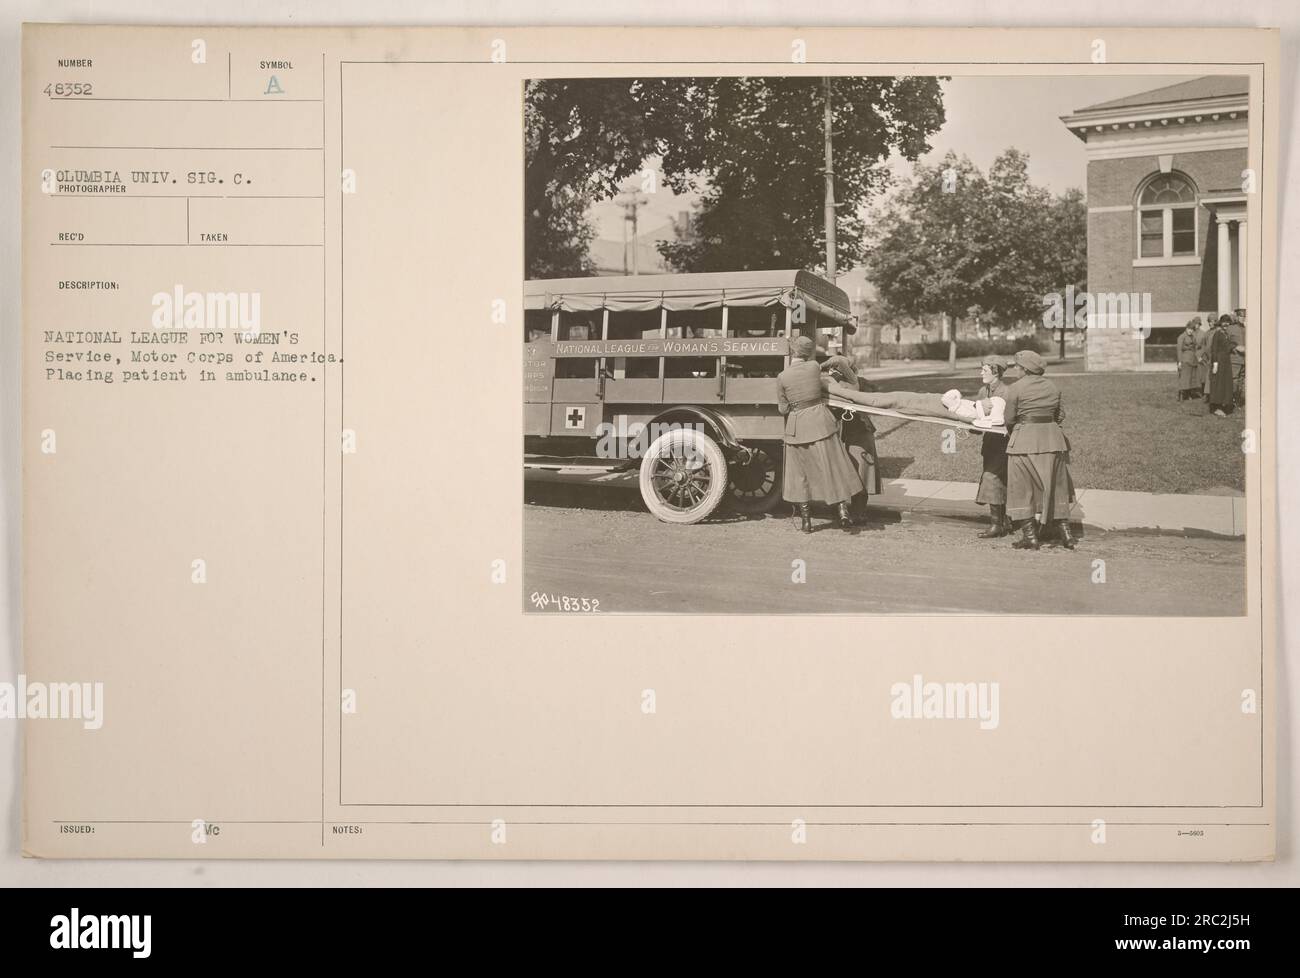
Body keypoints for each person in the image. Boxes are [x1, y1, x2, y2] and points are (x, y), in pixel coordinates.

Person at [777, 336, 863, 532]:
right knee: (834, 468)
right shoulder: (815, 367)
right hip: (821, 424)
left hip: (797, 428)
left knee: (799, 475)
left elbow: (782, 409)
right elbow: (829, 364)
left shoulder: (782, 376)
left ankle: (806, 522)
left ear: (792, 352)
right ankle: (843, 514)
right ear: (807, 353)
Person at [1003, 350, 1075, 551]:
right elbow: (1059, 415)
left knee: (1022, 488)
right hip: (1054, 440)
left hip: (1025, 442)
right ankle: (1067, 536)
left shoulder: (1015, 388)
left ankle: (1030, 537)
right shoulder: (1052, 386)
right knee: (1057, 488)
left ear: (1024, 369)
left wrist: (1017, 429)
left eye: (1017, 367)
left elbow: (1008, 419)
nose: (1015, 370)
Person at [819, 348, 882, 522]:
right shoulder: (835, 384)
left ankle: (859, 512)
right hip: (844, 433)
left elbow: (839, 361)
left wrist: (820, 365)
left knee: (861, 472)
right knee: (845, 472)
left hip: (858, 431)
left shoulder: (854, 382)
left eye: (837, 371)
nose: (834, 373)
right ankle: (845, 511)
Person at [974, 355, 1013, 538]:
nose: (981, 372)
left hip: (1005, 445)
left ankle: (997, 525)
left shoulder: (1007, 392)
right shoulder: (983, 391)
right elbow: (977, 421)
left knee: (992, 479)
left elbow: (1009, 421)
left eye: (985, 370)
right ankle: (1004, 521)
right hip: (989, 445)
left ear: (995, 372)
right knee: (999, 481)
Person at [1206, 314, 1235, 416]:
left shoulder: (1227, 334)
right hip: (1219, 361)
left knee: (1225, 383)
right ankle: (1216, 407)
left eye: (1228, 322)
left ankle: (1224, 405)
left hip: (1226, 362)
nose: (1226, 324)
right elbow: (1214, 349)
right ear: (1220, 323)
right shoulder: (1217, 334)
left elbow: (1228, 345)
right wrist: (1215, 363)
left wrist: (1233, 346)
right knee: (1218, 384)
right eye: (1224, 322)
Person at [1175, 319, 1200, 401]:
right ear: (1186, 328)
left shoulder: (1193, 337)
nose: (1190, 331)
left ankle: (1188, 395)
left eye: (1192, 329)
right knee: (1184, 378)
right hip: (1185, 360)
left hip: (1192, 360)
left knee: (1190, 378)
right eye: (1189, 329)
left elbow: (1195, 347)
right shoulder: (1181, 337)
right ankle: (1181, 396)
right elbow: (1179, 350)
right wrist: (1179, 362)